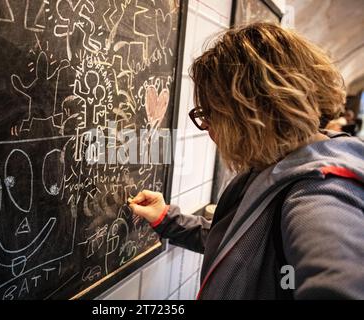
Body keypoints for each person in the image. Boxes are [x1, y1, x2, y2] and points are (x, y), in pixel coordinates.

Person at [129, 22, 364, 299]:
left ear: (249, 114)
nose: (208, 128)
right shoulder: (275, 166)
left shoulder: (317, 198)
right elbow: (246, 245)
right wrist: (168, 220)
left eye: (210, 113)